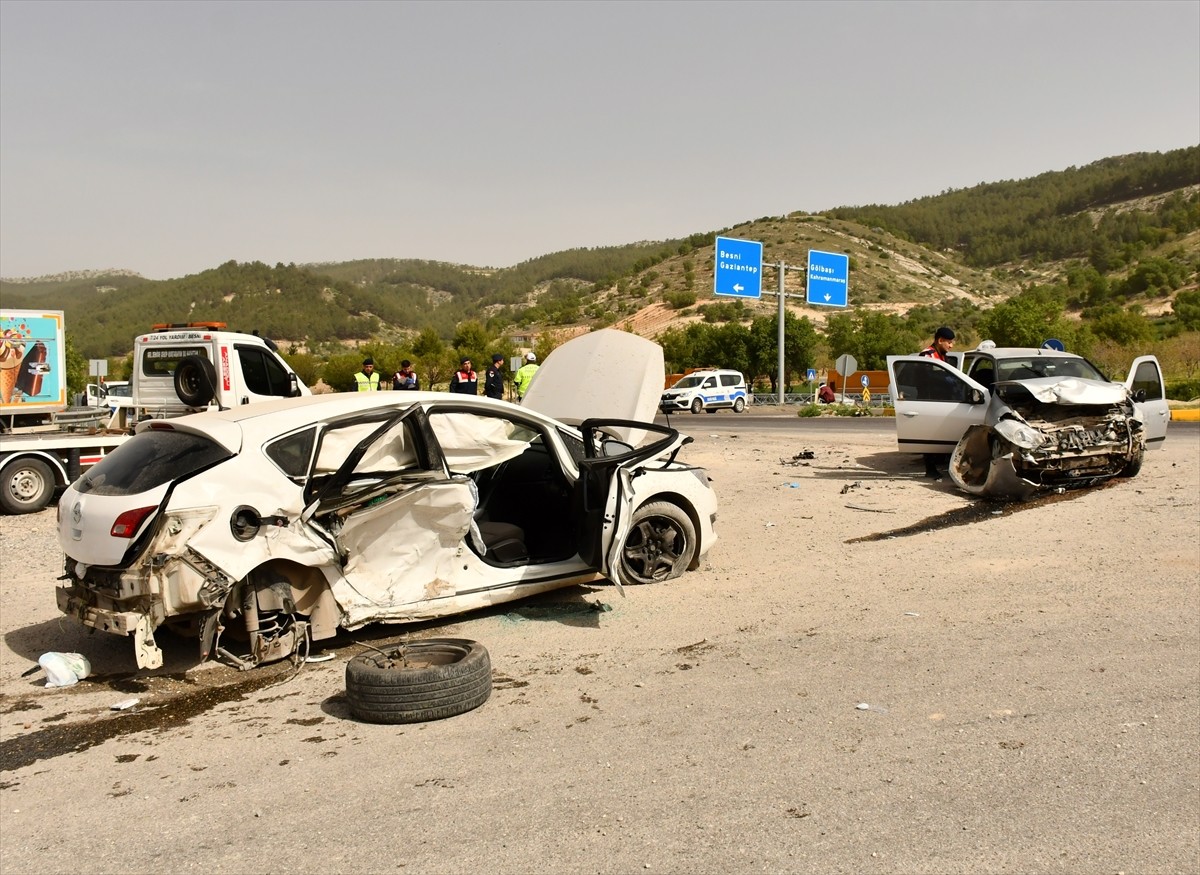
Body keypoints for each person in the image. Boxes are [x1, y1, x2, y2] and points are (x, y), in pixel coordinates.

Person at [917, 327, 955, 478]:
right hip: (929, 401)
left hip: (941, 401)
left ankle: (938, 462)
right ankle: (930, 468)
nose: (951, 346)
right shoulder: (927, 355)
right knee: (930, 435)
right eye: (949, 342)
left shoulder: (942, 356)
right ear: (940, 340)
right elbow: (926, 379)